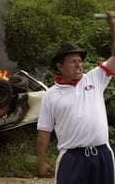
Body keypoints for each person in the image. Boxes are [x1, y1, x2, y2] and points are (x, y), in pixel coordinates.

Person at [37, 11, 115, 184]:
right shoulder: (51, 95)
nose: (79, 65)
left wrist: (113, 26)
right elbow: (44, 131)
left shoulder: (95, 77)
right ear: (60, 66)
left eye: (79, 61)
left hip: (102, 154)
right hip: (72, 159)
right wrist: (41, 162)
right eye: (73, 61)